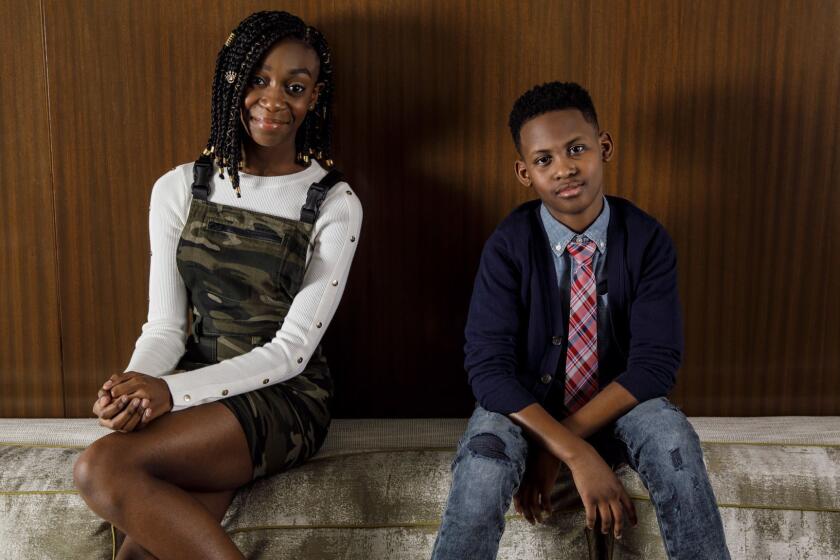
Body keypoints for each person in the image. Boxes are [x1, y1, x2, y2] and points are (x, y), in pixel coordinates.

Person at [73, 11, 362, 560]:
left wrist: (171, 395)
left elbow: (293, 351)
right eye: (257, 79)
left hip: (284, 397)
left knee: (99, 466)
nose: (274, 99)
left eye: (294, 87)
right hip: (197, 386)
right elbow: (164, 326)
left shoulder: (333, 202)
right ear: (231, 79)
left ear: (314, 97)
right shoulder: (179, 188)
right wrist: (136, 388)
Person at [430, 82, 729, 559]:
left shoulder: (647, 239)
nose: (565, 168)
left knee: (673, 439)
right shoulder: (508, 246)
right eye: (544, 159)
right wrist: (571, 450)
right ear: (524, 172)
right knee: (484, 461)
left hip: (620, 409)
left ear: (603, 147)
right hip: (523, 410)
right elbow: (488, 372)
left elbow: (655, 365)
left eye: (576, 149)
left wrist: (558, 449)